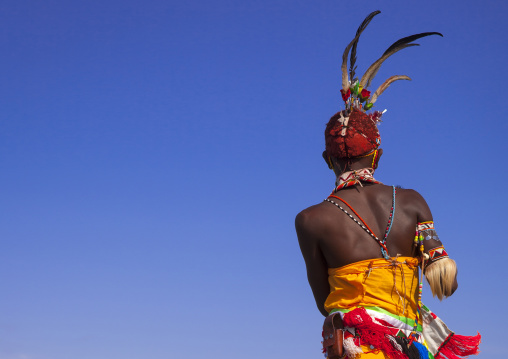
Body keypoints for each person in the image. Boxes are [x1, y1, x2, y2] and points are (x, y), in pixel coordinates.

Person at [296, 11, 480, 359]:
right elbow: (446, 284)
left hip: (356, 349)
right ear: (377, 154)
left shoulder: (311, 220)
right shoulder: (411, 203)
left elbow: (325, 303)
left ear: (327, 160)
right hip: (412, 348)